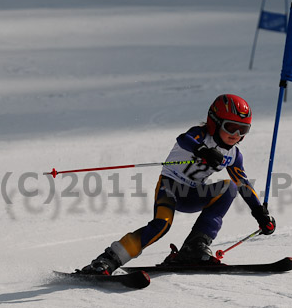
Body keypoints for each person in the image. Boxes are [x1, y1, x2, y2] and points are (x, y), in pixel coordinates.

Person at [81, 94, 276, 275]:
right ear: (214, 123)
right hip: (170, 187)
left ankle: (195, 247)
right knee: (161, 225)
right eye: (230, 127)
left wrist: (260, 212)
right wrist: (202, 150)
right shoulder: (200, 136)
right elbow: (184, 140)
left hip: (192, 194)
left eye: (243, 130)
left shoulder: (234, 155)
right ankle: (107, 260)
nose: (236, 134)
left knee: (229, 188)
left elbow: (242, 183)